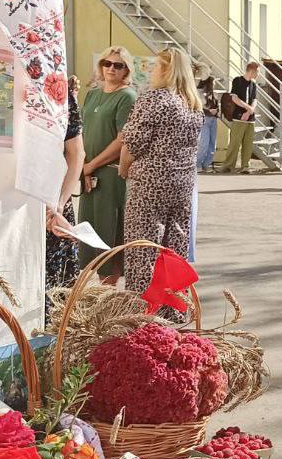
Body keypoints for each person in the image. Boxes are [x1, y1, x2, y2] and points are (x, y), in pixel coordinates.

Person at [118, 47, 203, 298]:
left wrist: (123, 169)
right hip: (182, 183)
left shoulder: (155, 98)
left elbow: (133, 143)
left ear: (166, 69)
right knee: (174, 246)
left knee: (143, 247)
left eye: (155, 66)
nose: (152, 70)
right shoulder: (192, 103)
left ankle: (143, 307)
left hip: (150, 182)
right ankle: (173, 305)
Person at [78, 46, 137, 279]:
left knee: (108, 232)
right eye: (107, 63)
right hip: (87, 172)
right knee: (88, 232)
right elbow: (83, 130)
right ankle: (98, 295)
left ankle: (109, 294)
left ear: (126, 70)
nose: (111, 68)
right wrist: (82, 166)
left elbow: (122, 140)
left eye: (118, 65)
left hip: (110, 175)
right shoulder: (93, 93)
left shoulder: (127, 97)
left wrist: (91, 166)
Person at [44, 88, 85, 318]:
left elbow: (77, 153)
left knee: (54, 297)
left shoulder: (60, 92)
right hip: (50, 204)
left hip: (53, 206)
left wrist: (58, 204)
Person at [216, 62, 259, 174]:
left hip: (250, 119)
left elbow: (255, 100)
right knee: (235, 142)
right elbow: (234, 98)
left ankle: (245, 166)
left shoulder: (254, 85)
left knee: (248, 144)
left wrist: (250, 111)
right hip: (238, 117)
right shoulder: (237, 81)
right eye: (257, 71)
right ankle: (228, 165)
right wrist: (248, 108)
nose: (258, 74)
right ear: (251, 70)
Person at [196, 74, 219, 172]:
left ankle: (206, 165)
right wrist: (210, 111)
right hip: (204, 119)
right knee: (204, 143)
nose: (215, 84)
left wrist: (216, 110)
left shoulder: (214, 94)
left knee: (212, 145)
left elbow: (217, 106)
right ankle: (197, 164)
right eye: (213, 82)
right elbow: (198, 108)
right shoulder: (199, 93)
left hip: (213, 120)